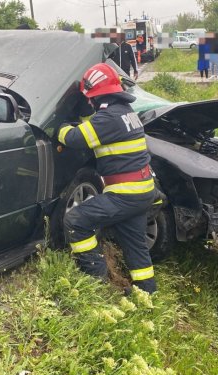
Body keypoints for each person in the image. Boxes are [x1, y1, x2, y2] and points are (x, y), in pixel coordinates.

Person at [58, 63, 157, 294]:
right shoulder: (125, 113)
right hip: (142, 191)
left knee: (76, 221)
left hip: (125, 194)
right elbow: (96, 129)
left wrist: (60, 127)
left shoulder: (108, 118)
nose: (89, 103)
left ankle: (97, 280)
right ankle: (148, 295)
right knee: (136, 246)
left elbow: (73, 138)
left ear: (96, 95)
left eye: (90, 98)